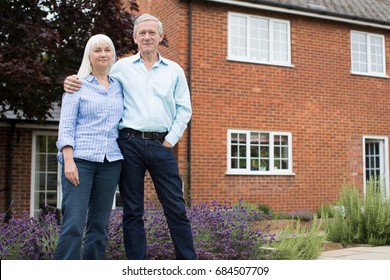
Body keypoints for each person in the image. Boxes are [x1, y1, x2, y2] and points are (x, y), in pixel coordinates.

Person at [64, 14, 196, 260]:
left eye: (152, 33)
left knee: (176, 208)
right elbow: (95, 75)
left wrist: (171, 140)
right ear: (135, 37)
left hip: (162, 144)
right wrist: (72, 81)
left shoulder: (174, 71)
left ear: (160, 37)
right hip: (129, 144)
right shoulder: (121, 67)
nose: (147, 37)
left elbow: (184, 109)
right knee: (133, 211)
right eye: (142, 33)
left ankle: (189, 264)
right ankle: (138, 266)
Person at [55, 34, 124, 260]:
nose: (103, 54)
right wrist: (69, 161)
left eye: (107, 49)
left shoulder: (120, 87)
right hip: (80, 163)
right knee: (74, 223)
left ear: (113, 54)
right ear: (89, 56)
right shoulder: (77, 85)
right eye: (97, 50)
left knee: (100, 226)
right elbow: (66, 125)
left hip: (110, 163)